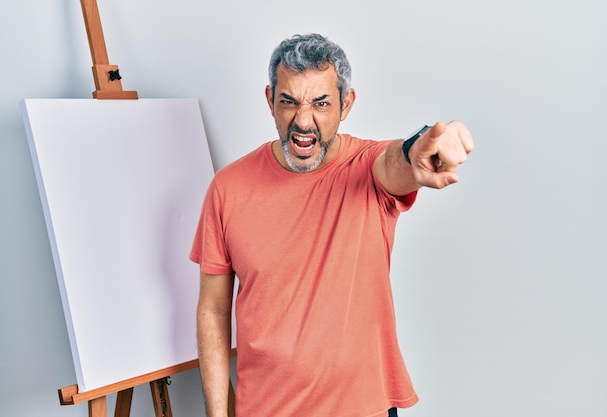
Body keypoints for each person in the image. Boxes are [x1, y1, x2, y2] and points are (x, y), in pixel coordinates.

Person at [191, 33, 474, 417]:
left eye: (321, 103)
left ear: (346, 104)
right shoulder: (228, 188)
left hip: (362, 408)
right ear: (270, 101)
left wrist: (419, 146)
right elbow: (213, 309)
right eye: (288, 101)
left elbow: (395, 162)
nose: (302, 121)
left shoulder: (367, 170)